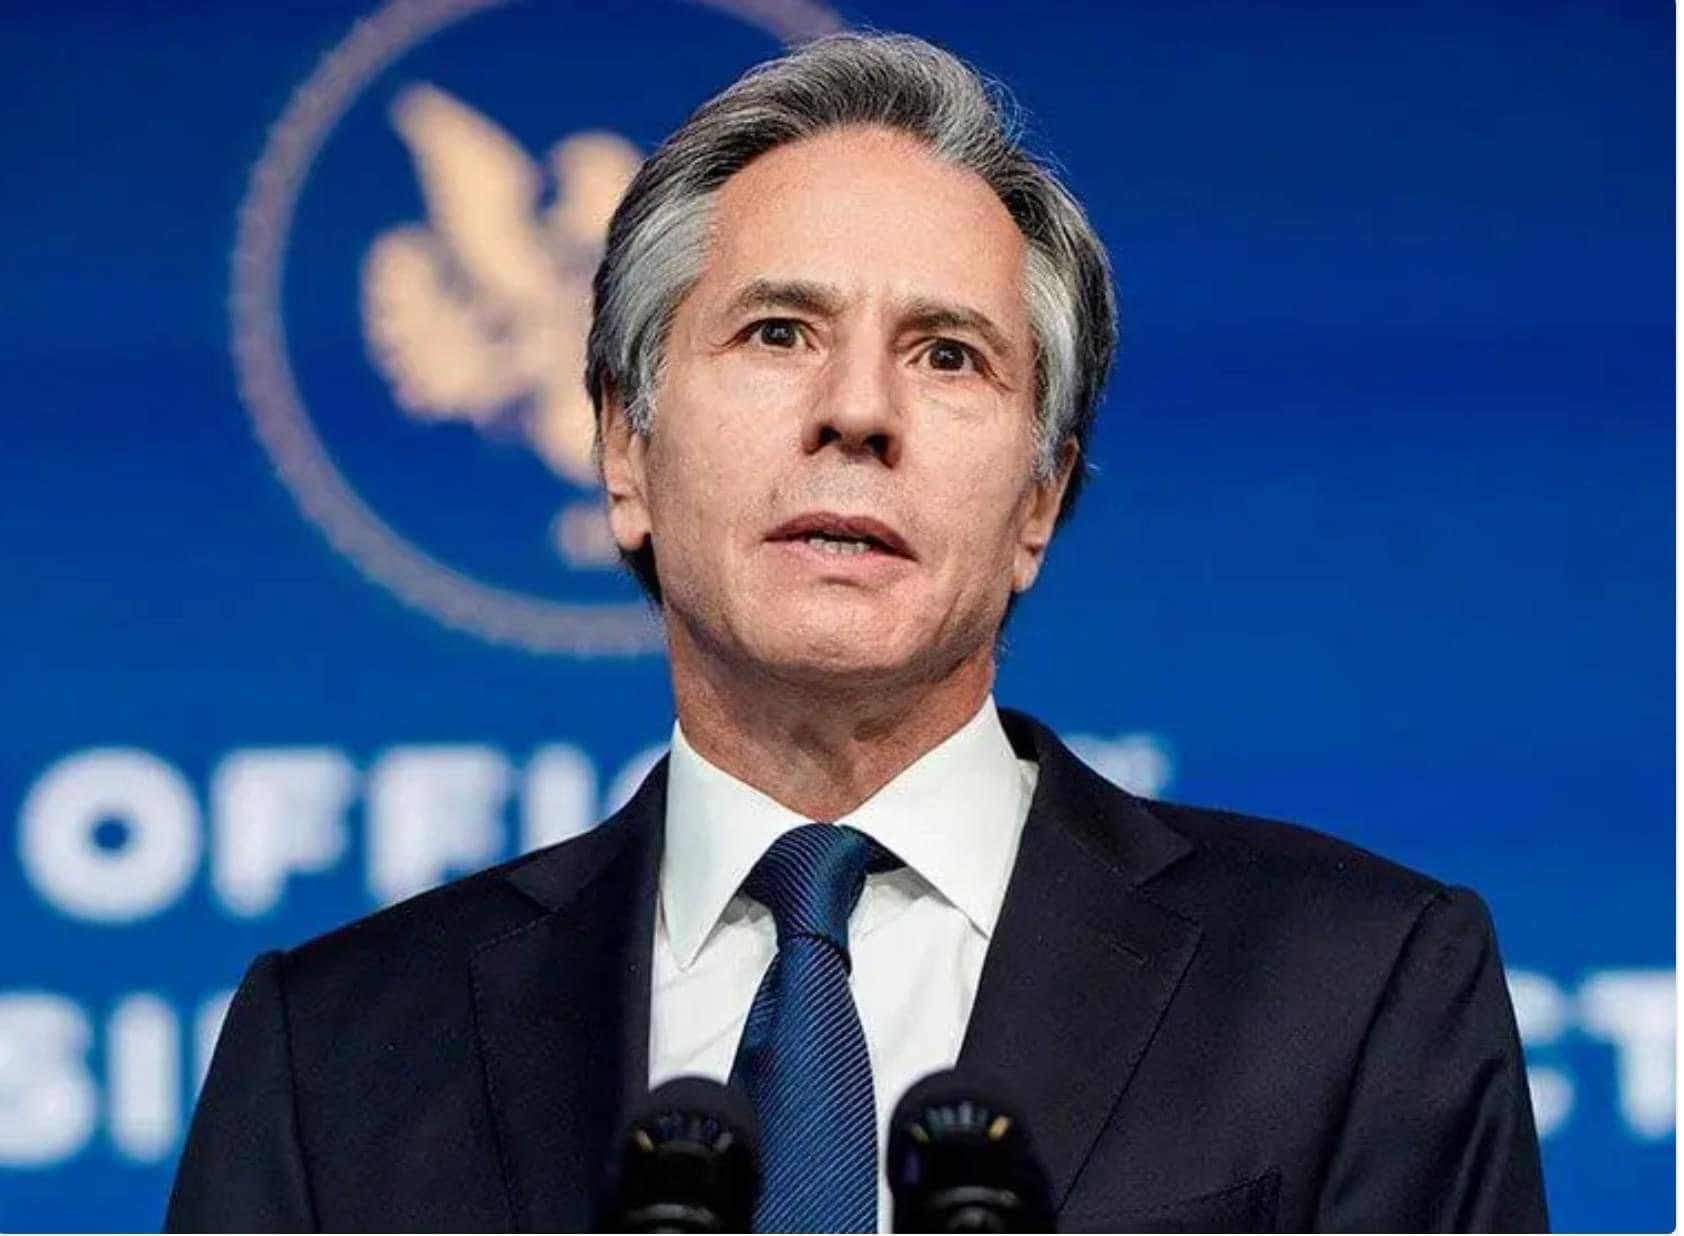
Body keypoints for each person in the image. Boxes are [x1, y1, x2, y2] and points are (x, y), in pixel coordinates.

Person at [167, 32, 1548, 1233]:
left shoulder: (1351, 989)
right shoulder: (336, 1056)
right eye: (779, 332)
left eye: (949, 355)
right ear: (625, 452)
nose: (858, 412)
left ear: (1040, 502)